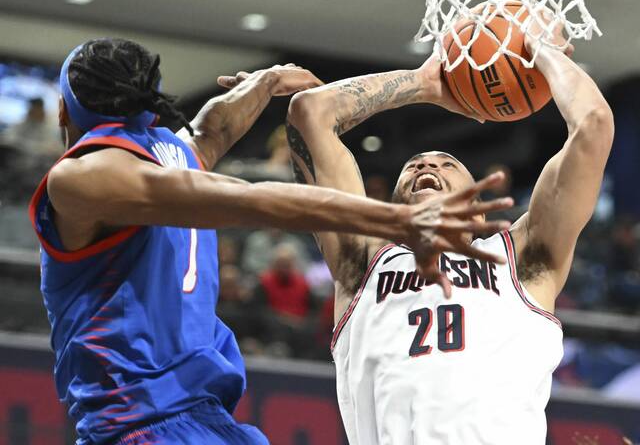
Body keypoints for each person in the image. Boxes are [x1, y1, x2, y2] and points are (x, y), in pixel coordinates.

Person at [31, 38, 511, 445]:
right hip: (146, 420)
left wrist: (263, 84)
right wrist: (398, 220)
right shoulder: (90, 177)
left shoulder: (150, 157)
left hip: (175, 421)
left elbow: (210, 129)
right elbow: (247, 198)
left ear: (61, 112)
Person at [280, 18, 612, 443]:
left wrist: (541, 53)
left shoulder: (523, 261)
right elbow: (308, 113)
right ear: (394, 207)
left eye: (447, 165)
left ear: (477, 212)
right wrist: (425, 84)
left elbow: (594, 127)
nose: (427, 165)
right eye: (414, 165)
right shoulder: (362, 260)